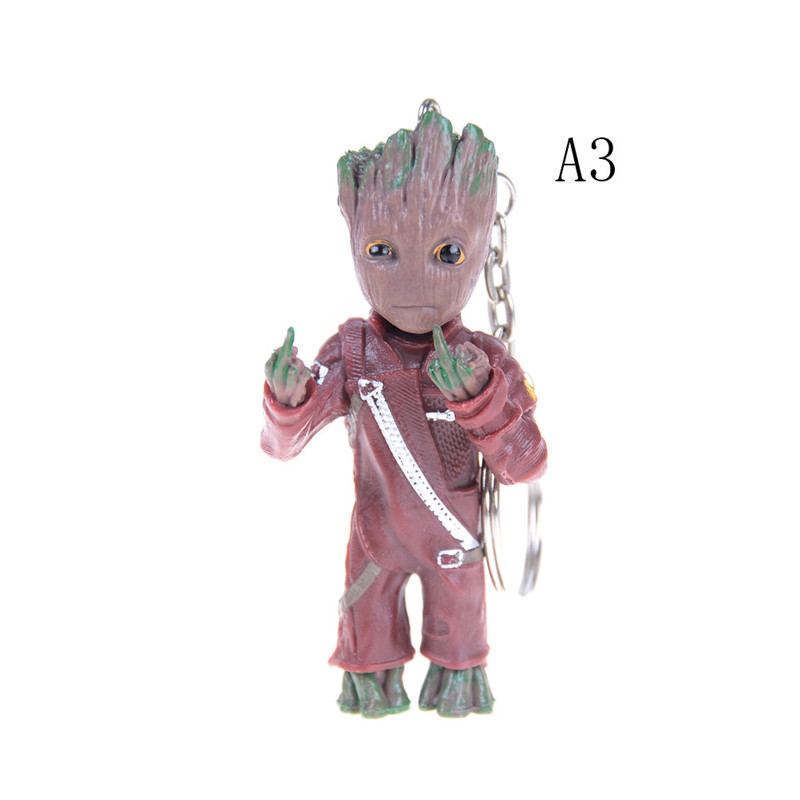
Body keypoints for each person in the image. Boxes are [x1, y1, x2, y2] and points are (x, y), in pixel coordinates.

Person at [261, 108, 547, 717]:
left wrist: (482, 399)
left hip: (455, 534)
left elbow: (526, 464)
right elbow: (284, 445)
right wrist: (287, 402)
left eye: (448, 252)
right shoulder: (352, 352)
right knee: (367, 624)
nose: (414, 278)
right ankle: (372, 685)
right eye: (382, 250)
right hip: (378, 532)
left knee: (460, 629)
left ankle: (459, 681)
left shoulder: (486, 359)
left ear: (481, 248)